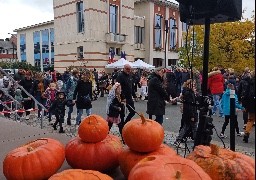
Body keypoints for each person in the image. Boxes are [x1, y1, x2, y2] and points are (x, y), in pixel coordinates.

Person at [174, 79, 198, 146]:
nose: (194, 86)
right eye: (192, 85)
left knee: (186, 127)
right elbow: (190, 105)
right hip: (191, 112)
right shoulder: (189, 93)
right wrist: (192, 115)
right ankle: (196, 141)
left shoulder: (187, 92)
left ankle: (178, 139)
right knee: (193, 128)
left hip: (187, 112)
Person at [116, 64, 136, 134]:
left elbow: (131, 86)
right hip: (122, 98)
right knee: (122, 114)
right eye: (127, 69)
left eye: (129, 69)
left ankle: (125, 123)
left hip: (129, 97)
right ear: (124, 68)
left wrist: (134, 95)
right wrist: (122, 97)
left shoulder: (130, 76)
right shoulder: (120, 76)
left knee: (133, 111)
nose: (128, 70)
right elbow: (118, 88)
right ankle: (122, 129)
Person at [242, 71, 255, 143]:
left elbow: (245, 94)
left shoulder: (249, 83)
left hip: (251, 103)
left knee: (250, 120)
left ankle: (246, 133)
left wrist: (245, 105)